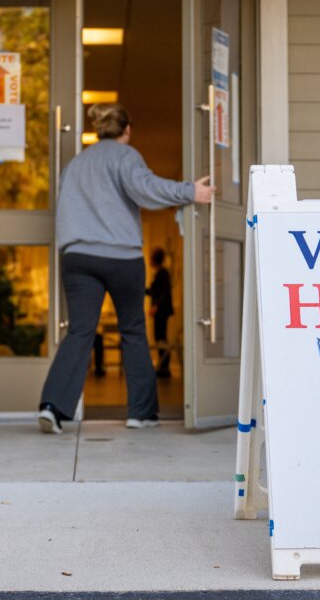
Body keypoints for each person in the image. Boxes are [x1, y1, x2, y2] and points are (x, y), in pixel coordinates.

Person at [37, 103, 214, 434]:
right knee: (133, 330)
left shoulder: (75, 164)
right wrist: (191, 191)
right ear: (127, 130)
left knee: (79, 331)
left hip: (78, 258)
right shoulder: (126, 156)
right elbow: (146, 189)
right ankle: (140, 414)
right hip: (121, 258)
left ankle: (53, 407)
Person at [146, 247, 174, 378]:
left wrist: (156, 306)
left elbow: (163, 292)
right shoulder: (160, 273)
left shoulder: (163, 273)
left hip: (161, 311)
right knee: (159, 337)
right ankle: (163, 366)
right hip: (161, 310)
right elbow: (155, 291)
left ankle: (164, 367)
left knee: (161, 337)